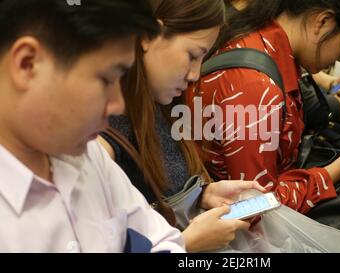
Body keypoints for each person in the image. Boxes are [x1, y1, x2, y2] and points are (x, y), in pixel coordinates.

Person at [189, 0, 340, 253]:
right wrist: (337, 170)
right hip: (244, 231)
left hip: (266, 197)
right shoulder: (256, 86)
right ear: (322, 22)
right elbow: (258, 207)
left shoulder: (264, 40)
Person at [0, 0, 184, 253]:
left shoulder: (86, 156)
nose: (119, 105)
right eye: (107, 79)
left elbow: (163, 241)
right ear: (28, 64)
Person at [98, 0, 267, 253]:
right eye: (192, 56)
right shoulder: (102, 141)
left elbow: (158, 196)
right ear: (149, 36)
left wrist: (200, 195)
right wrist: (188, 244)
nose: (195, 74)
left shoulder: (159, 104)